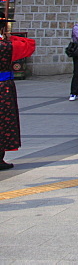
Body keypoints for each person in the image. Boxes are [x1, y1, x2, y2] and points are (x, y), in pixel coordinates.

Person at [0, 18, 35, 170]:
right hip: (4, 87)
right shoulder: (8, 46)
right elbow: (29, 45)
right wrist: (10, 37)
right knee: (4, 121)